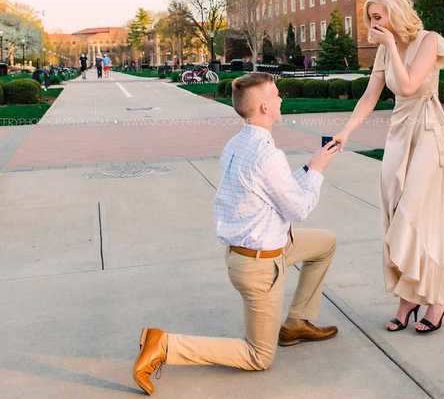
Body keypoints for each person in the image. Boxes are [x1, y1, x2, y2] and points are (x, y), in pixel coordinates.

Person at [133, 72, 340, 395]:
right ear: (262, 108)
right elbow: (298, 209)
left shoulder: (239, 142)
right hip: (259, 266)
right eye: (275, 95)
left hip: (263, 247)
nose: (281, 99)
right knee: (259, 356)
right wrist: (317, 172)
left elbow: (274, 191)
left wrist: (308, 167)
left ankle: (297, 321)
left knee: (325, 243)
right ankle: (165, 346)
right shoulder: (267, 154)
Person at [332, 0, 444, 334]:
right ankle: (408, 298)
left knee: (416, 216)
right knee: (393, 212)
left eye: (377, 17)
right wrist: (346, 132)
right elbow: (370, 97)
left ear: (395, 13)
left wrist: (390, 46)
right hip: (399, 134)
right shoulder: (384, 52)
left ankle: (438, 298)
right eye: (370, 18)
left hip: (427, 131)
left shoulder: (429, 40)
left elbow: (408, 86)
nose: (372, 24)